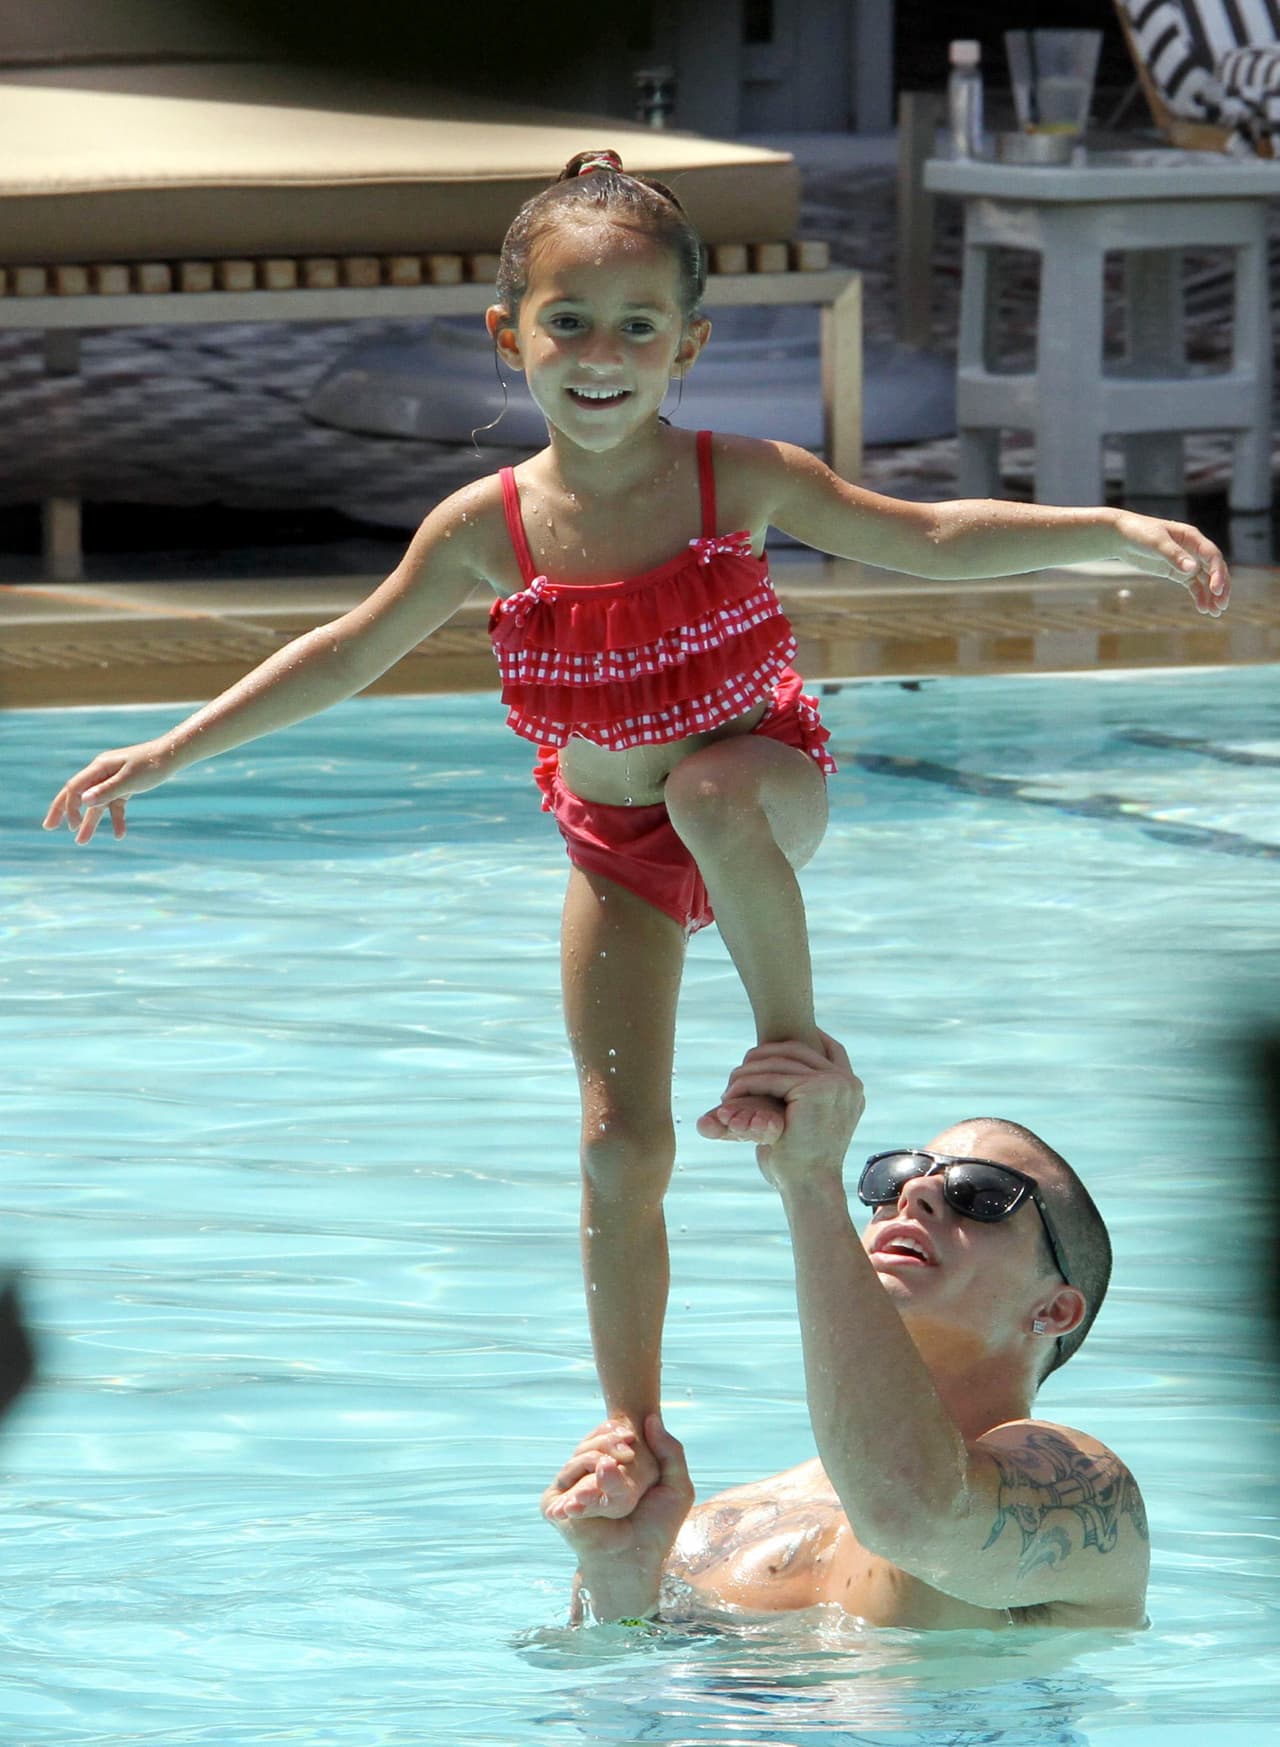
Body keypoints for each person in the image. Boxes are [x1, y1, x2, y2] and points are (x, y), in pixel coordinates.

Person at [45, 149, 1227, 1520]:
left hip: (760, 780)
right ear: (510, 335)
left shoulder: (737, 480)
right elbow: (345, 653)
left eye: (636, 327)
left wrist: (1109, 528)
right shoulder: (488, 528)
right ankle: (633, 1419)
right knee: (618, 1144)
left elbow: (929, 536)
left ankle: (794, 1060)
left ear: (687, 346)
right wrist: (169, 748)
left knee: (707, 794)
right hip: (612, 842)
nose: (600, 356)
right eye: (568, 323)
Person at [543, 1037, 1150, 1631]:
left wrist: (809, 1181)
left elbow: (913, 1517)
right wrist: (618, 1575)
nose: (915, 1193)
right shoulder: (711, 1525)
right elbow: (620, 1674)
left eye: (981, 1194)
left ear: (1055, 1310)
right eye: (895, 1177)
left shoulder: (1082, 1491)